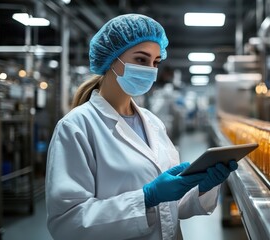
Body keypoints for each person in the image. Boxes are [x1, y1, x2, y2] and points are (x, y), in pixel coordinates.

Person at [45, 14, 238, 240]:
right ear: (111, 59)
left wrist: (200, 187)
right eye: (141, 60)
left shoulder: (153, 123)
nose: (150, 69)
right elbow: (67, 223)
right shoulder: (76, 127)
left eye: (155, 62)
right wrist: (146, 198)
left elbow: (173, 206)